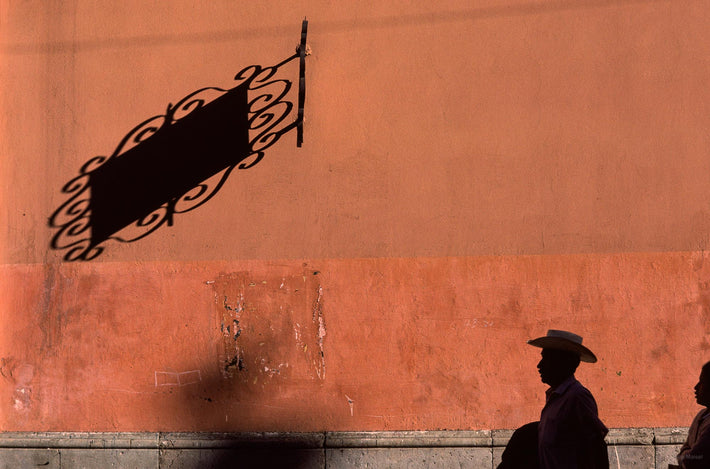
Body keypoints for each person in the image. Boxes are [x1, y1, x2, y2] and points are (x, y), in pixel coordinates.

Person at [528, 329, 609, 469]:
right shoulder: (557, 398)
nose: (539, 365)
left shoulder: (577, 398)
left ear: (564, 363)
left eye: (546, 358)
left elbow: (595, 449)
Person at [675, 361, 710, 469]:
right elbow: (683, 453)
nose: (696, 387)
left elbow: (694, 459)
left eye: (702, 382)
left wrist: (687, 455)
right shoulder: (702, 415)